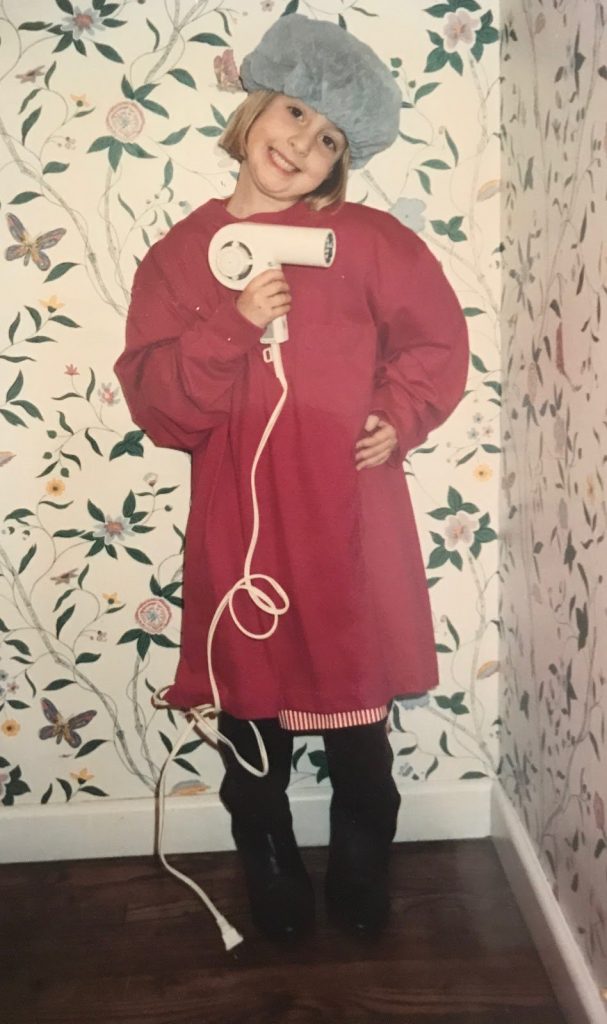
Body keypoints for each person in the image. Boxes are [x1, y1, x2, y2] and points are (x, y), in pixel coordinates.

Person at [115, 13, 469, 943]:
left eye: (328, 139)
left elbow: (437, 339)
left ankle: (362, 864)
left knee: (359, 737)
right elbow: (159, 406)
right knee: (253, 732)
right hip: (242, 531)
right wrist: (230, 324)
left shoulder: (370, 241)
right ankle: (268, 866)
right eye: (295, 113)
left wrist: (397, 415)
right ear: (255, 107)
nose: (302, 144)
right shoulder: (177, 256)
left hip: (350, 520)